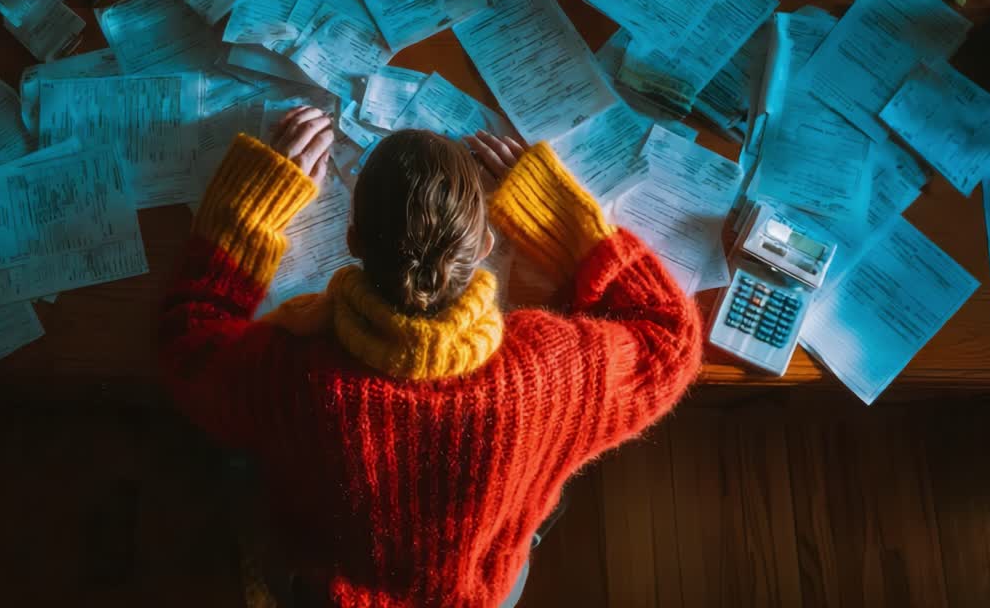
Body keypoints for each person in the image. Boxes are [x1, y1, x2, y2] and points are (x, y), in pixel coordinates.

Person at [161, 106, 703, 607]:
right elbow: (673, 339)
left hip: (322, 590)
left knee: (233, 462)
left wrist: (246, 213)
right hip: (482, 593)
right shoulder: (550, 374)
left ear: (352, 239)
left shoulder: (290, 373)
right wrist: (567, 226)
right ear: (485, 247)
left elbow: (189, 343)